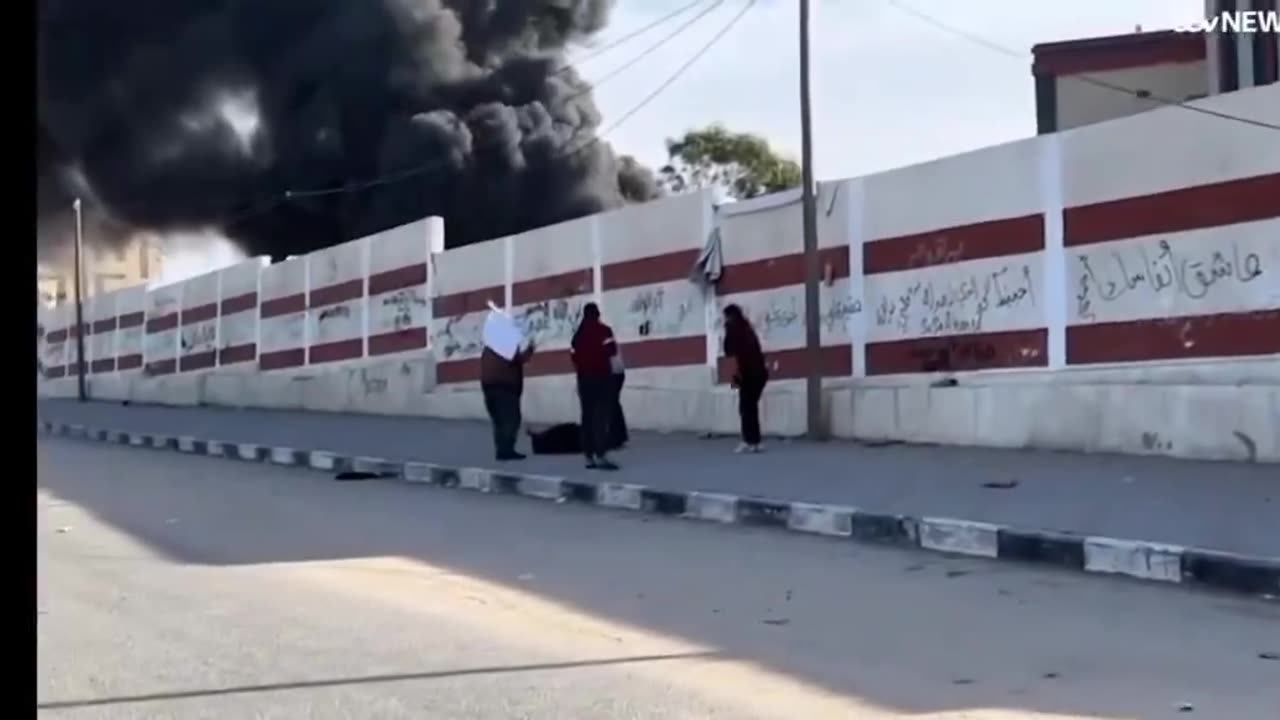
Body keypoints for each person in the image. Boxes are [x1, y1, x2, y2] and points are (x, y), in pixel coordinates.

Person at [570, 303, 619, 470]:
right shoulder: (604, 331)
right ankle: (601, 454)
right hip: (602, 378)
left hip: (584, 380)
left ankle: (588, 456)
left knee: (587, 418)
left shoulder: (578, 335)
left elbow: (574, 357)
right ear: (597, 314)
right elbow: (612, 351)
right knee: (601, 418)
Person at [722, 303, 768, 453]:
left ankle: (748, 441)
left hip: (746, 374)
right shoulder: (747, 329)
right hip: (759, 374)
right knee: (751, 408)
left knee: (745, 408)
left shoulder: (732, 330)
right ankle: (755, 441)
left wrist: (734, 381)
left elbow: (730, 354)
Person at [480, 338, 536, 461]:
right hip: (505, 388)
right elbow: (518, 359)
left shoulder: (488, 348)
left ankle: (501, 450)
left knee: (499, 421)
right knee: (511, 420)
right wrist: (530, 349)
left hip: (489, 388)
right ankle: (507, 450)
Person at [608, 344, 629, 450]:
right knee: (613, 404)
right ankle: (619, 436)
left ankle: (616, 437)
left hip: (611, 373)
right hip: (616, 372)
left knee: (610, 404)